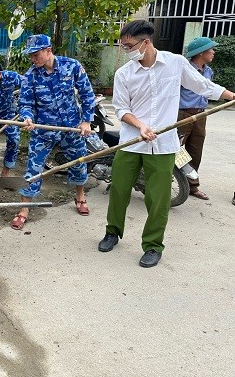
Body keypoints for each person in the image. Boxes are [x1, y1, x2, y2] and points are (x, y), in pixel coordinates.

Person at [98, 20, 235, 268]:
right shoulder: (124, 73)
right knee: (119, 190)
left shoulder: (175, 63)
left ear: (146, 42)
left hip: (162, 145)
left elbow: (202, 86)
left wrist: (230, 95)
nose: (125, 50)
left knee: (158, 198)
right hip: (131, 142)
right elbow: (121, 109)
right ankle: (112, 232)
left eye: (128, 45)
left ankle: (152, 245)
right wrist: (140, 125)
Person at [13, 34, 95, 230]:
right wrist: (27, 117)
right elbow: (25, 103)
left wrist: (86, 121)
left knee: (78, 162)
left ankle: (80, 196)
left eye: (35, 55)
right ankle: (24, 209)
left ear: (48, 50)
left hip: (71, 127)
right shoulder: (31, 75)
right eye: (30, 56)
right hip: (43, 129)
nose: (33, 59)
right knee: (33, 169)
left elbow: (87, 93)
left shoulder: (72, 66)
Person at [177, 37, 219, 200]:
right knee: (177, 151)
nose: (213, 52)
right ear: (201, 53)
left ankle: (192, 186)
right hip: (183, 114)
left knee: (195, 150)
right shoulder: (185, 70)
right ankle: (169, 183)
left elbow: (208, 90)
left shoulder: (208, 71)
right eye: (211, 50)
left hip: (201, 115)